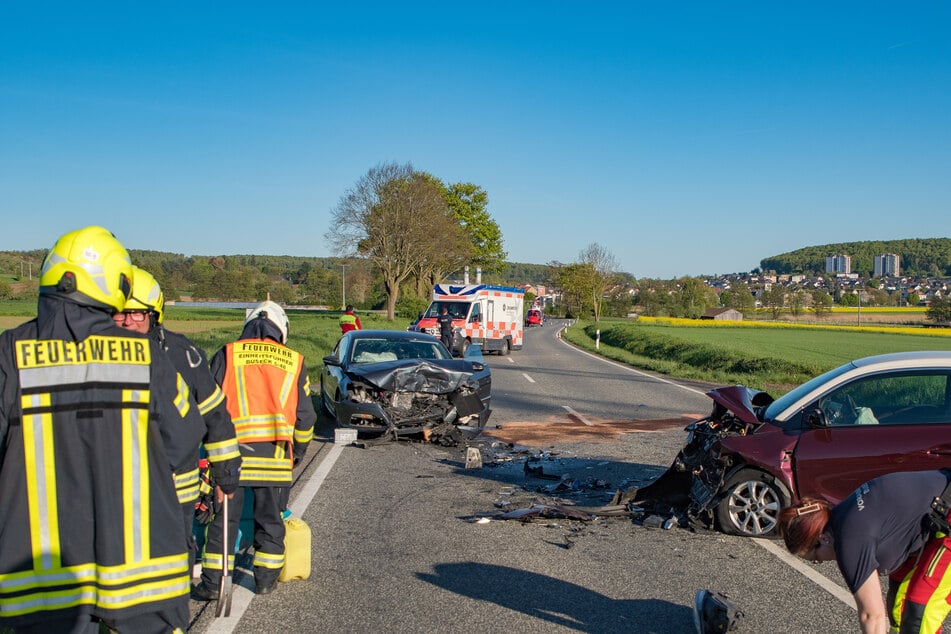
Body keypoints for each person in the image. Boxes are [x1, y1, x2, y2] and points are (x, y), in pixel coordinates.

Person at [0, 226, 205, 634]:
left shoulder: (9, 354)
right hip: (141, 573)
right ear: (116, 283)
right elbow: (183, 442)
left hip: (39, 584)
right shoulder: (146, 355)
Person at [114, 266, 242, 575]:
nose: (128, 321)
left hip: (174, 488)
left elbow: (216, 417)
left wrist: (225, 475)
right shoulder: (93, 355)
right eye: (119, 314)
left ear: (154, 315)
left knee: (172, 562)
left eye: (137, 314)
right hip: (115, 486)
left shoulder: (184, 356)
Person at [193, 301, 317, 598]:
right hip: (274, 458)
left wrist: (203, 452)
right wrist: (297, 451)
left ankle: (213, 585)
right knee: (270, 521)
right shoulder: (294, 361)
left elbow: (205, 406)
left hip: (229, 458)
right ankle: (264, 581)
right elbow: (306, 417)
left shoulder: (227, 354)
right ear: (282, 330)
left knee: (223, 522)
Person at [778, 470, 951, 634]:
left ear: (823, 539)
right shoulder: (843, 514)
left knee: (919, 612)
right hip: (936, 519)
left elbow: (872, 615)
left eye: (816, 558)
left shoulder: (848, 540)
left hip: (945, 515)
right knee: (900, 603)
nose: (821, 562)